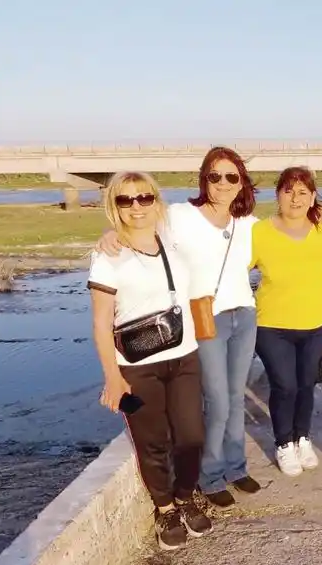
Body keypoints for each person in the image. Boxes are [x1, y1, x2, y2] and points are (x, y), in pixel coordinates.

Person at [95, 147, 262, 511]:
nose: (222, 183)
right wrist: (110, 234)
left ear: (241, 183)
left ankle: (235, 467)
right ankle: (211, 475)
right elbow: (139, 223)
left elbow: (289, 233)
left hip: (244, 315)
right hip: (203, 318)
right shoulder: (181, 216)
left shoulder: (248, 223)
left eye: (231, 177)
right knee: (216, 400)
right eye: (214, 176)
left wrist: (321, 214)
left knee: (235, 396)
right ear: (204, 180)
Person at [88, 171, 212, 551]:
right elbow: (101, 323)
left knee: (192, 435)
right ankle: (165, 508)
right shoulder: (107, 255)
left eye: (144, 197)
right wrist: (113, 377)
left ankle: (186, 495)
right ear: (114, 206)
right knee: (151, 440)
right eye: (125, 200)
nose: (136, 206)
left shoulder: (171, 238)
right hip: (135, 366)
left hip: (184, 356)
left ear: (156, 201)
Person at [251, 166, 322, 476]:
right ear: (277, 195)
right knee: (284, 385)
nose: (295, 198)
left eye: (303, 192)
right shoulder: (259, 232)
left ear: (313, 197)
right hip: (271, 327)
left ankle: (302, 437)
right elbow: (234, 268)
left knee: (306, 384)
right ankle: (284, 443)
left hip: (316, 326)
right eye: (288, 191)